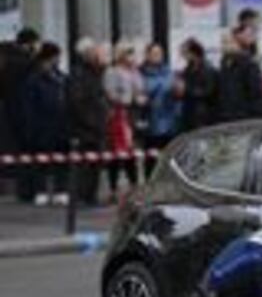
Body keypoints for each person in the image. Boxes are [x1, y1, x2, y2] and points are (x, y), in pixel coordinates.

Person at [23, 42, 70, 206]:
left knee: (61, 160)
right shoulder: (34, 79)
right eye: (55, 57)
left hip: (61, 125)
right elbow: (29, 106)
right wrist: (32, 127)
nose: (57, 60)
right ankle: (41, 190)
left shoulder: (62, 77)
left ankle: (61, 190)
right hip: (42, 125)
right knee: (41, 160)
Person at [68, 38, 109, 206]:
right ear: (85, 54)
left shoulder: (95, 72)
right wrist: (92, 122)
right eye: (93, 51)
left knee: (95, 164)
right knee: (86, 164)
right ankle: (84, 196)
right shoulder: (79, 74)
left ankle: (90, 195)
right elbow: (78, 102)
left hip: (96, 126)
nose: (97, 54)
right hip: (85, 128)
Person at [1, 28, 41, 202]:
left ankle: (19, 189)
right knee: (28, 152)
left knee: (15, 152)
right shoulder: (27, 63)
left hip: (7, 112)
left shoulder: (6, 59)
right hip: (24, 112)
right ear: (29, 43)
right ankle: (27, 190)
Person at [104, 42, 144, 203]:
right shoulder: (112, 72)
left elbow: (140, 90)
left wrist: (139, 97)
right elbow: (110, 92)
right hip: (118, 113)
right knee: (116, 152)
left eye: (132, 53)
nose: (131, 57)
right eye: (128, 53)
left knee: (131, 152)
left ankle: (134, 187)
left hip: (133, 113)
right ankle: (113, 189)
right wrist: (124, 98)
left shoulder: (135, 72)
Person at [140, 43, 180, 178]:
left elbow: (177, 93)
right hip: (151, 121)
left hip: (170, 121)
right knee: (151, 159)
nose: (157, 56)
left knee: (169, 159)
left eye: (160, 53)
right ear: (147, 55)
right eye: (154, 53)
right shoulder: (141, 73)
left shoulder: (169, 72)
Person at [217, 27, 262, 123]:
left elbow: (256, 91)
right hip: (227, 114)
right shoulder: (224, 64)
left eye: (228, 42)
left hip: (243, 114)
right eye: (223, 43)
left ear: (237, 44)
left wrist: (253, 113)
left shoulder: (248, 63)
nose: (224, 46)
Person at [178, 38, 218, 132]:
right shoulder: (188, 69)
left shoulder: (207, 69)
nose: (183, 56)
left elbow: (208, 91)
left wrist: (187, 89)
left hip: (203, 113)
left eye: (185, 53)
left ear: (193, 53)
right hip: (189, 112)